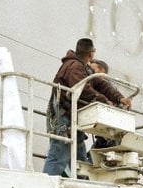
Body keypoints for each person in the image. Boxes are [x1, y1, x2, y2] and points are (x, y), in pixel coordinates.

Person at [43, 38, 131, 176]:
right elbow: (83, 89)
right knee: (58, 156)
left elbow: (101, 84)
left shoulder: (83, 67)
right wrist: (105, 101)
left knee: (80, 160)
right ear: (91, 54)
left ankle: (82, 186)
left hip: (72, 120)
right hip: (65, 119)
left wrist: (119, 97)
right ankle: (46, 186)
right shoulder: (75, 66)